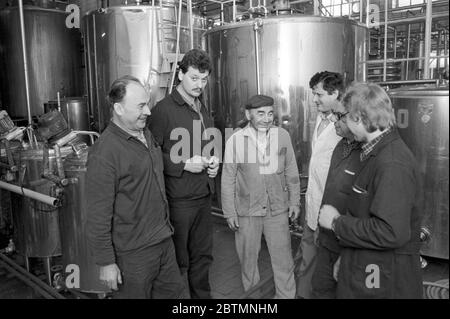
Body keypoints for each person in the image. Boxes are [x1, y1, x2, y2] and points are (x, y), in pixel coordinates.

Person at [318, 82, 423, 299]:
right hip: (363, 267)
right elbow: (363, 213)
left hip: (382, 279)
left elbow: (390, 232)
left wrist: (337, 223)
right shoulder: (372, 153)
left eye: (345, 117)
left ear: (357, 117)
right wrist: (346, 260)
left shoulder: (393, 163)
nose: (342, 122)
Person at [86, 75, 184, 299]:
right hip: (133, 255)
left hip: (163, 242)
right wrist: (106, 262)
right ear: (118, 109)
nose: (148, 111)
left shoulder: (145, 134)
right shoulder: (105, 153)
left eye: (147, 103)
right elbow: (97, 215)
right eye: (141, 106)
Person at [148, 49, 219, 299]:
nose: (200, 85)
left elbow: (207, 145)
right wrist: (183, 165)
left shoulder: (202, 108)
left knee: (202, 259)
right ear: (180, 74)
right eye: (194, 78)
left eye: (204, 79)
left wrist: (214, 161)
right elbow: (149, 158)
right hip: (178, 201)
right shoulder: (162, 111)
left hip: (203, 197)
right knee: (177, 262)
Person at [221, 94, 301, 299]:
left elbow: (291, 169)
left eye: (270, 113)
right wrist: (229, 211)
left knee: (284, 261)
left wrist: (294, 200)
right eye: (260, 114)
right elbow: (228, 178)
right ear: (249, 114)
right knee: (248, 264)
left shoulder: (282, 135)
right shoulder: (235, 140)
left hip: (277, 209)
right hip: (247, 212)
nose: (266, 118)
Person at [295, 71, 343, 299]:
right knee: (307, 260)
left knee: (328, 270)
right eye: (313, 94)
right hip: (312, 205)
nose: (314, 99)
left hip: (331, 210)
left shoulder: (347, 124)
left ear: (335, 93)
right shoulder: (321, 118)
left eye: (319, 94)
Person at [310, 98, 363, 299]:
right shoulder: (341, 146)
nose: (334, 121)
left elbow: (363, 209)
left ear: (356, 118)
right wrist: (318, 225)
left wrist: (349, 252)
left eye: (339, 116)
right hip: (327, 238)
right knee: (320, 289)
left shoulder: (367, 154)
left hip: (348, 241)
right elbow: (330, 189)